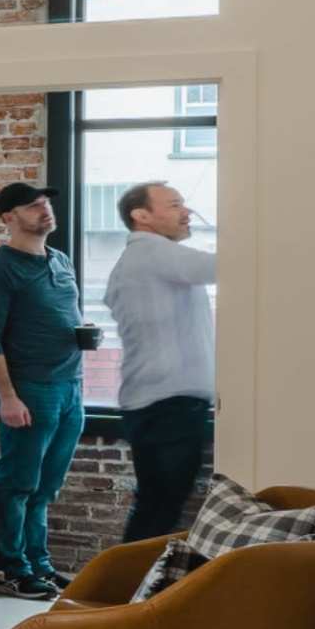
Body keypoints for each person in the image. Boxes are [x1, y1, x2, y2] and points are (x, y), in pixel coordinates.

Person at [0, 180, 92, 600]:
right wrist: (7, 396)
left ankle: (39, 563)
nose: (45, 211)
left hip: (70, 386)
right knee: (18, 483)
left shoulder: (60, 260)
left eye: (45, 203)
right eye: (33, 206)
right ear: (9, 218)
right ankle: (12, 570)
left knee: (45, 487)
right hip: (29, 389)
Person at [103, 178, 217, 543]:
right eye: (175, 205)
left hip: (160, 404)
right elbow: (226, 265)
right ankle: (125, 595)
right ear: (142, 216)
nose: (187, 214)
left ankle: (128, 594)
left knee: (158, 507)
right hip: (167, 406)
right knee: (159, 510)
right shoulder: (151, 251)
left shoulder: (145, 257)